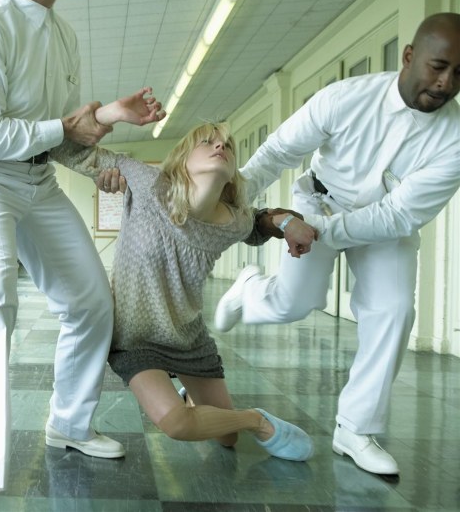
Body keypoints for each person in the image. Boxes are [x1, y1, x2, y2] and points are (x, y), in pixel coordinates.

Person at [0, 0, 163, 510]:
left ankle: (69, 423)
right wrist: (67, 128)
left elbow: (60, 138)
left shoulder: (64, 35)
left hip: (37, 181)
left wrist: (101, 147)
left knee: (91, 300)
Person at [213, 12, 460, 476]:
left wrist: (315, 232)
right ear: (409, 56)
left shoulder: (456, 138)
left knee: (393, 310)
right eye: (438, 66)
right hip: (318, 202)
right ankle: (250, 291)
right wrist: (228, 202)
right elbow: (277, 152)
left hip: (384, 226)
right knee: (295, 303)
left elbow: (399, 214)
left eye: (459, 73)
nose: (446, 83)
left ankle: (355, 429)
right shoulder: (346, 98)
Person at [50, 89, 315, 463]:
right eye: (207, 142)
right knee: (177, 424)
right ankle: (257, 421)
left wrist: (285, 221)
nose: (220, 146)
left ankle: (197, 401)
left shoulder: (232, 220)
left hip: (188, 338)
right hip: (135, 339)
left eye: (227, 145)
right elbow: (66, 149)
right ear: (182, 159)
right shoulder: (148, 183)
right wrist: (110, 114)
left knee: (225, 438)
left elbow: (256, 225)